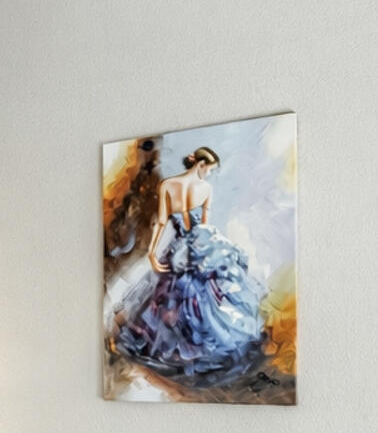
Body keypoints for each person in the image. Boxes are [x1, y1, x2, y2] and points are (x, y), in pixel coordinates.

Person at [113, 146, 267, 386]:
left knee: (179, 294)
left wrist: (153, 253)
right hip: (198, 245)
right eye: (209, 169)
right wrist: (205, 248)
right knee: (198, 294)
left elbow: (163, 222)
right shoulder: (204, 189)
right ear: (200, 165)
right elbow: (202, 226)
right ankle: (199, 347)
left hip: (184, 248)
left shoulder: (169, 185)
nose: (208, 174)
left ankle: (189, 347)